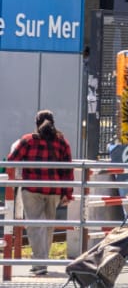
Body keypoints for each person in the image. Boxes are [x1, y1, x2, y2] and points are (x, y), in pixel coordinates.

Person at [5, 110, 73, 276]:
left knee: (35, 226)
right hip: (54, 190)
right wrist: (67, 193)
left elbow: (11, 160)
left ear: (36, 123)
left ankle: (40, 264)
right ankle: (43, 261)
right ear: (53, 122)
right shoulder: (62, 142)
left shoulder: (28, 140)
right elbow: (68, 171)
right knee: (48, 227)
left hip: (32, 189)